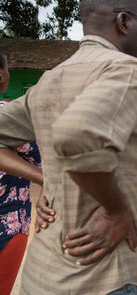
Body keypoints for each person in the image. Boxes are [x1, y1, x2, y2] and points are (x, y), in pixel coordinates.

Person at [0, 0, 137, 294]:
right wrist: (115, 209)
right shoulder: (126, 69)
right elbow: (77, 134)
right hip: (105, 275)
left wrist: (45, 178)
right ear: (124, 22)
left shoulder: (49, 79)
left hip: (42, 273)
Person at [0, 51, 45, 295]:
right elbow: (38, 156)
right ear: (0, 76)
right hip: (7, 219)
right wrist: (43, 179)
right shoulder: (9, 118)